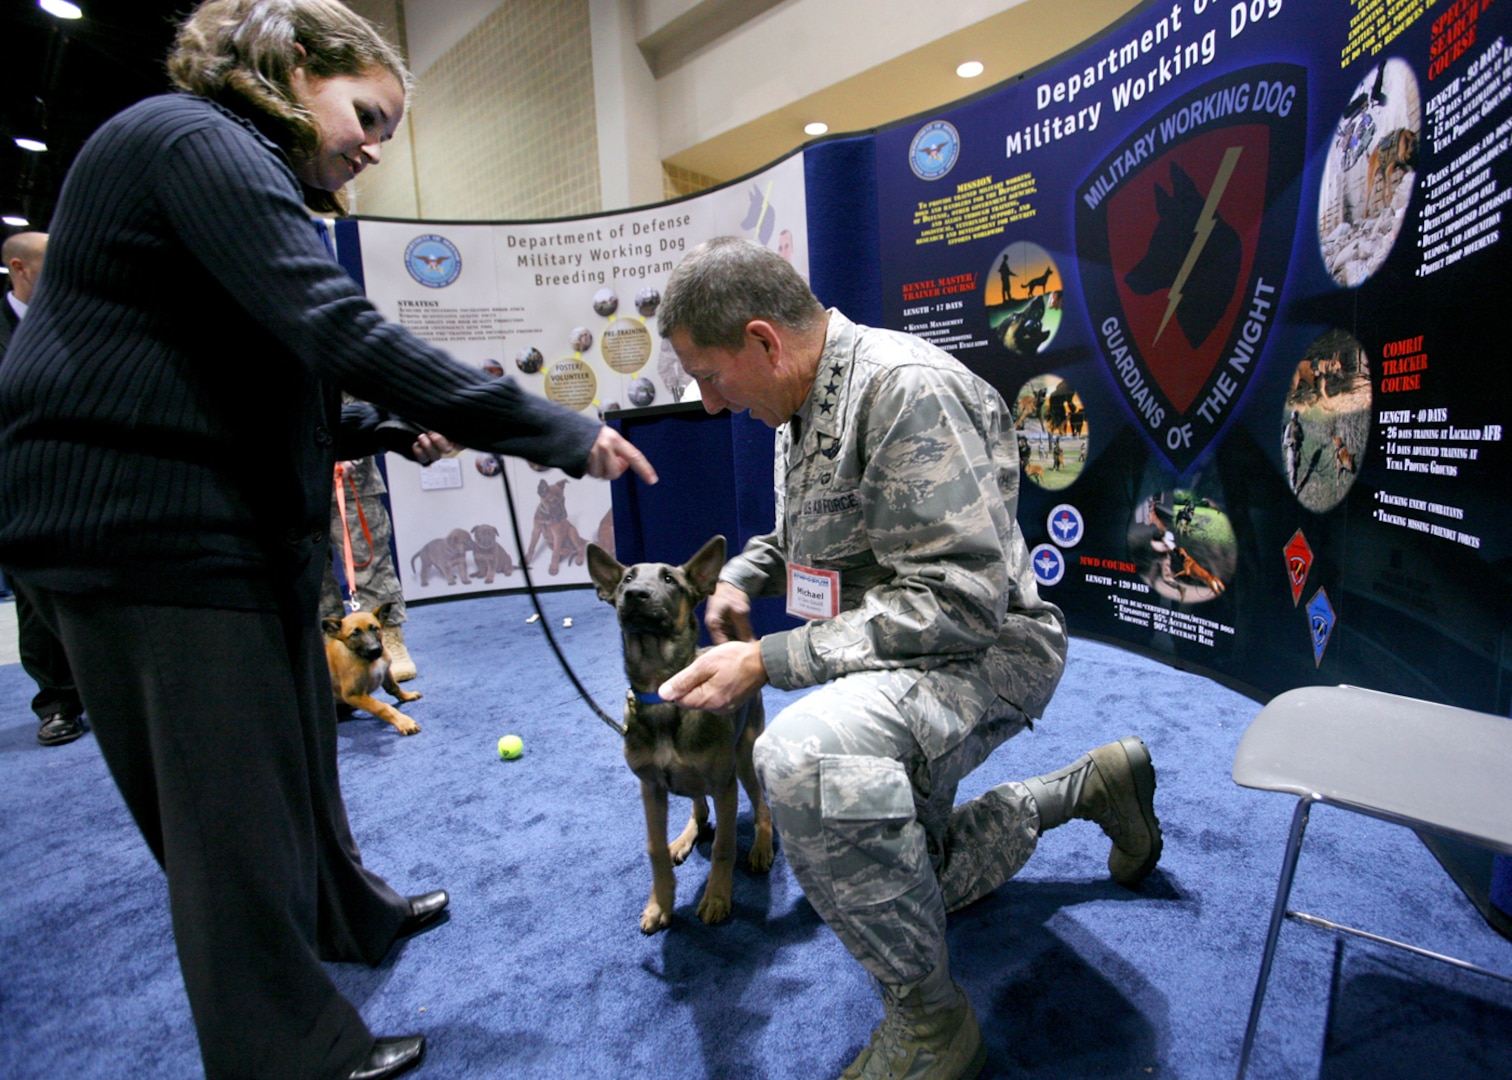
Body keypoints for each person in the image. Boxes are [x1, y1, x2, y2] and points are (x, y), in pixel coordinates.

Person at [0, 3, 655, 1079]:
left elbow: (274, 385)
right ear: (296, 66)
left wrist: (400, 424)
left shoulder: (227, 160)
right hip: (142, 529)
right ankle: (283, 1052)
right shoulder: (194, 139)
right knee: (229, 815)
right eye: (368, 114)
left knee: (296, 755)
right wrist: (557, 433)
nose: (374, 146)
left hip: (217, 525)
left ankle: (349, 915)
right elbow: (336, 331)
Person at [655, 237, 1159, 1080]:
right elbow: (807, 534)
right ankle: (1087, 788)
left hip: (986, 653)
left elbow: (960, 602)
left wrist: (769, 660)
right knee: (912, 879)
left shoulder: (901, 393)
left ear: (763, 341)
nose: (708, 403)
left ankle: (932, 1025)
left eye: (710, 375)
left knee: (807, 759)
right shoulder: (802, 397)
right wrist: (746, 574)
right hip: (887, 657)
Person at [1, 231, 88, 746]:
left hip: (89, 484)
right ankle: (57, 703)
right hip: (20, 492)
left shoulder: (80, 324)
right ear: (21, 268)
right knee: (37, 604)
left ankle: (112, 693)